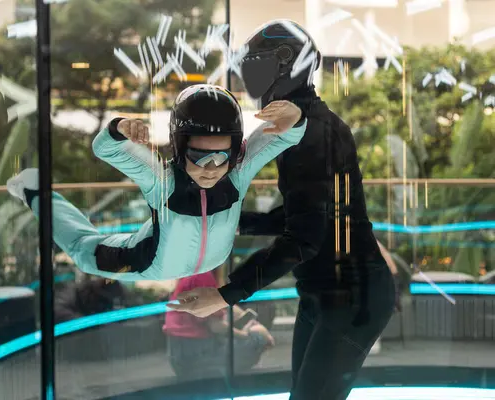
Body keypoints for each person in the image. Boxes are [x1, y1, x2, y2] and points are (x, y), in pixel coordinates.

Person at [167, 20, 396, 400]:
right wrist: (221, 217)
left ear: (286, 67)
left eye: (254, 67)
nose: (247, 78)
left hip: (353, 296)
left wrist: (225, 294)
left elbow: (303, 238)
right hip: (324, 293)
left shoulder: (313, 133)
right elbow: (300, 216)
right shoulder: (302, 128)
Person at [7, 84, 307, 281]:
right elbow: (105, 149)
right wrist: (119, 128)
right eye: (199, 157)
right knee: (83, 251)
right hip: (148, 262)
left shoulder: (238, 172)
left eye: (221, 157)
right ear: (179, 149)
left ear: (235, 150)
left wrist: (297, 117)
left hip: (215, 257)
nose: (211, 168)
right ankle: (32, 190)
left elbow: (280, 136)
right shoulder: (162, 182)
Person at [163, 269, 274, 379]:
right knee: (259, 338)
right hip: (197, 357)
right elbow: (215, 326)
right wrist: (246, 335)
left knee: (255, 332)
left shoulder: (191, 274)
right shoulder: (202, 276)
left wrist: (246, 320)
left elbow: (224, 304)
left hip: (182, 357)